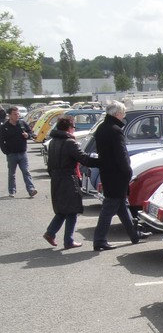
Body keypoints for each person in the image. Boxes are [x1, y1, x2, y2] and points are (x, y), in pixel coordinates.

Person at [92, 100, 150, 251]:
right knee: (109, 208)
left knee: (122, 206)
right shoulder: (115, 130)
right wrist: (128, 171)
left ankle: (134, 235)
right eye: (123, 113)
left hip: (107, 172)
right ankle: (99, 240)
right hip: (116, 174)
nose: (124, 115)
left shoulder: (101, 128)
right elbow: (121, 154)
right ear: (117, 114)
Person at [43, 115, 101, 249]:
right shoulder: (70, 142)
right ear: (69, 128)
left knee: (63, 209)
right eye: (73, 127)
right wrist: (101, 161)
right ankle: (68, 240)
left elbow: (50, 165)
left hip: (57, 178)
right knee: (72, 210)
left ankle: (51, 232)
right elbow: (84, 159)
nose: (74, 130)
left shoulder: (53, 142)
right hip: (68, 177)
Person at [0, 106, 37, 198]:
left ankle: (31, 189)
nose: (17, 115)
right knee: (12, 173)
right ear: (9, 115)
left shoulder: (22, 123)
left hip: (22, 153)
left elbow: (32, 133)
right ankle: (12, 191)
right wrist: (6, 152)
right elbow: (1, 141)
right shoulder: (4, 127)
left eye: (18, 113)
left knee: (26, 171)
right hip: (11, 154)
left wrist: (27, 135)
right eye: (15, 114)